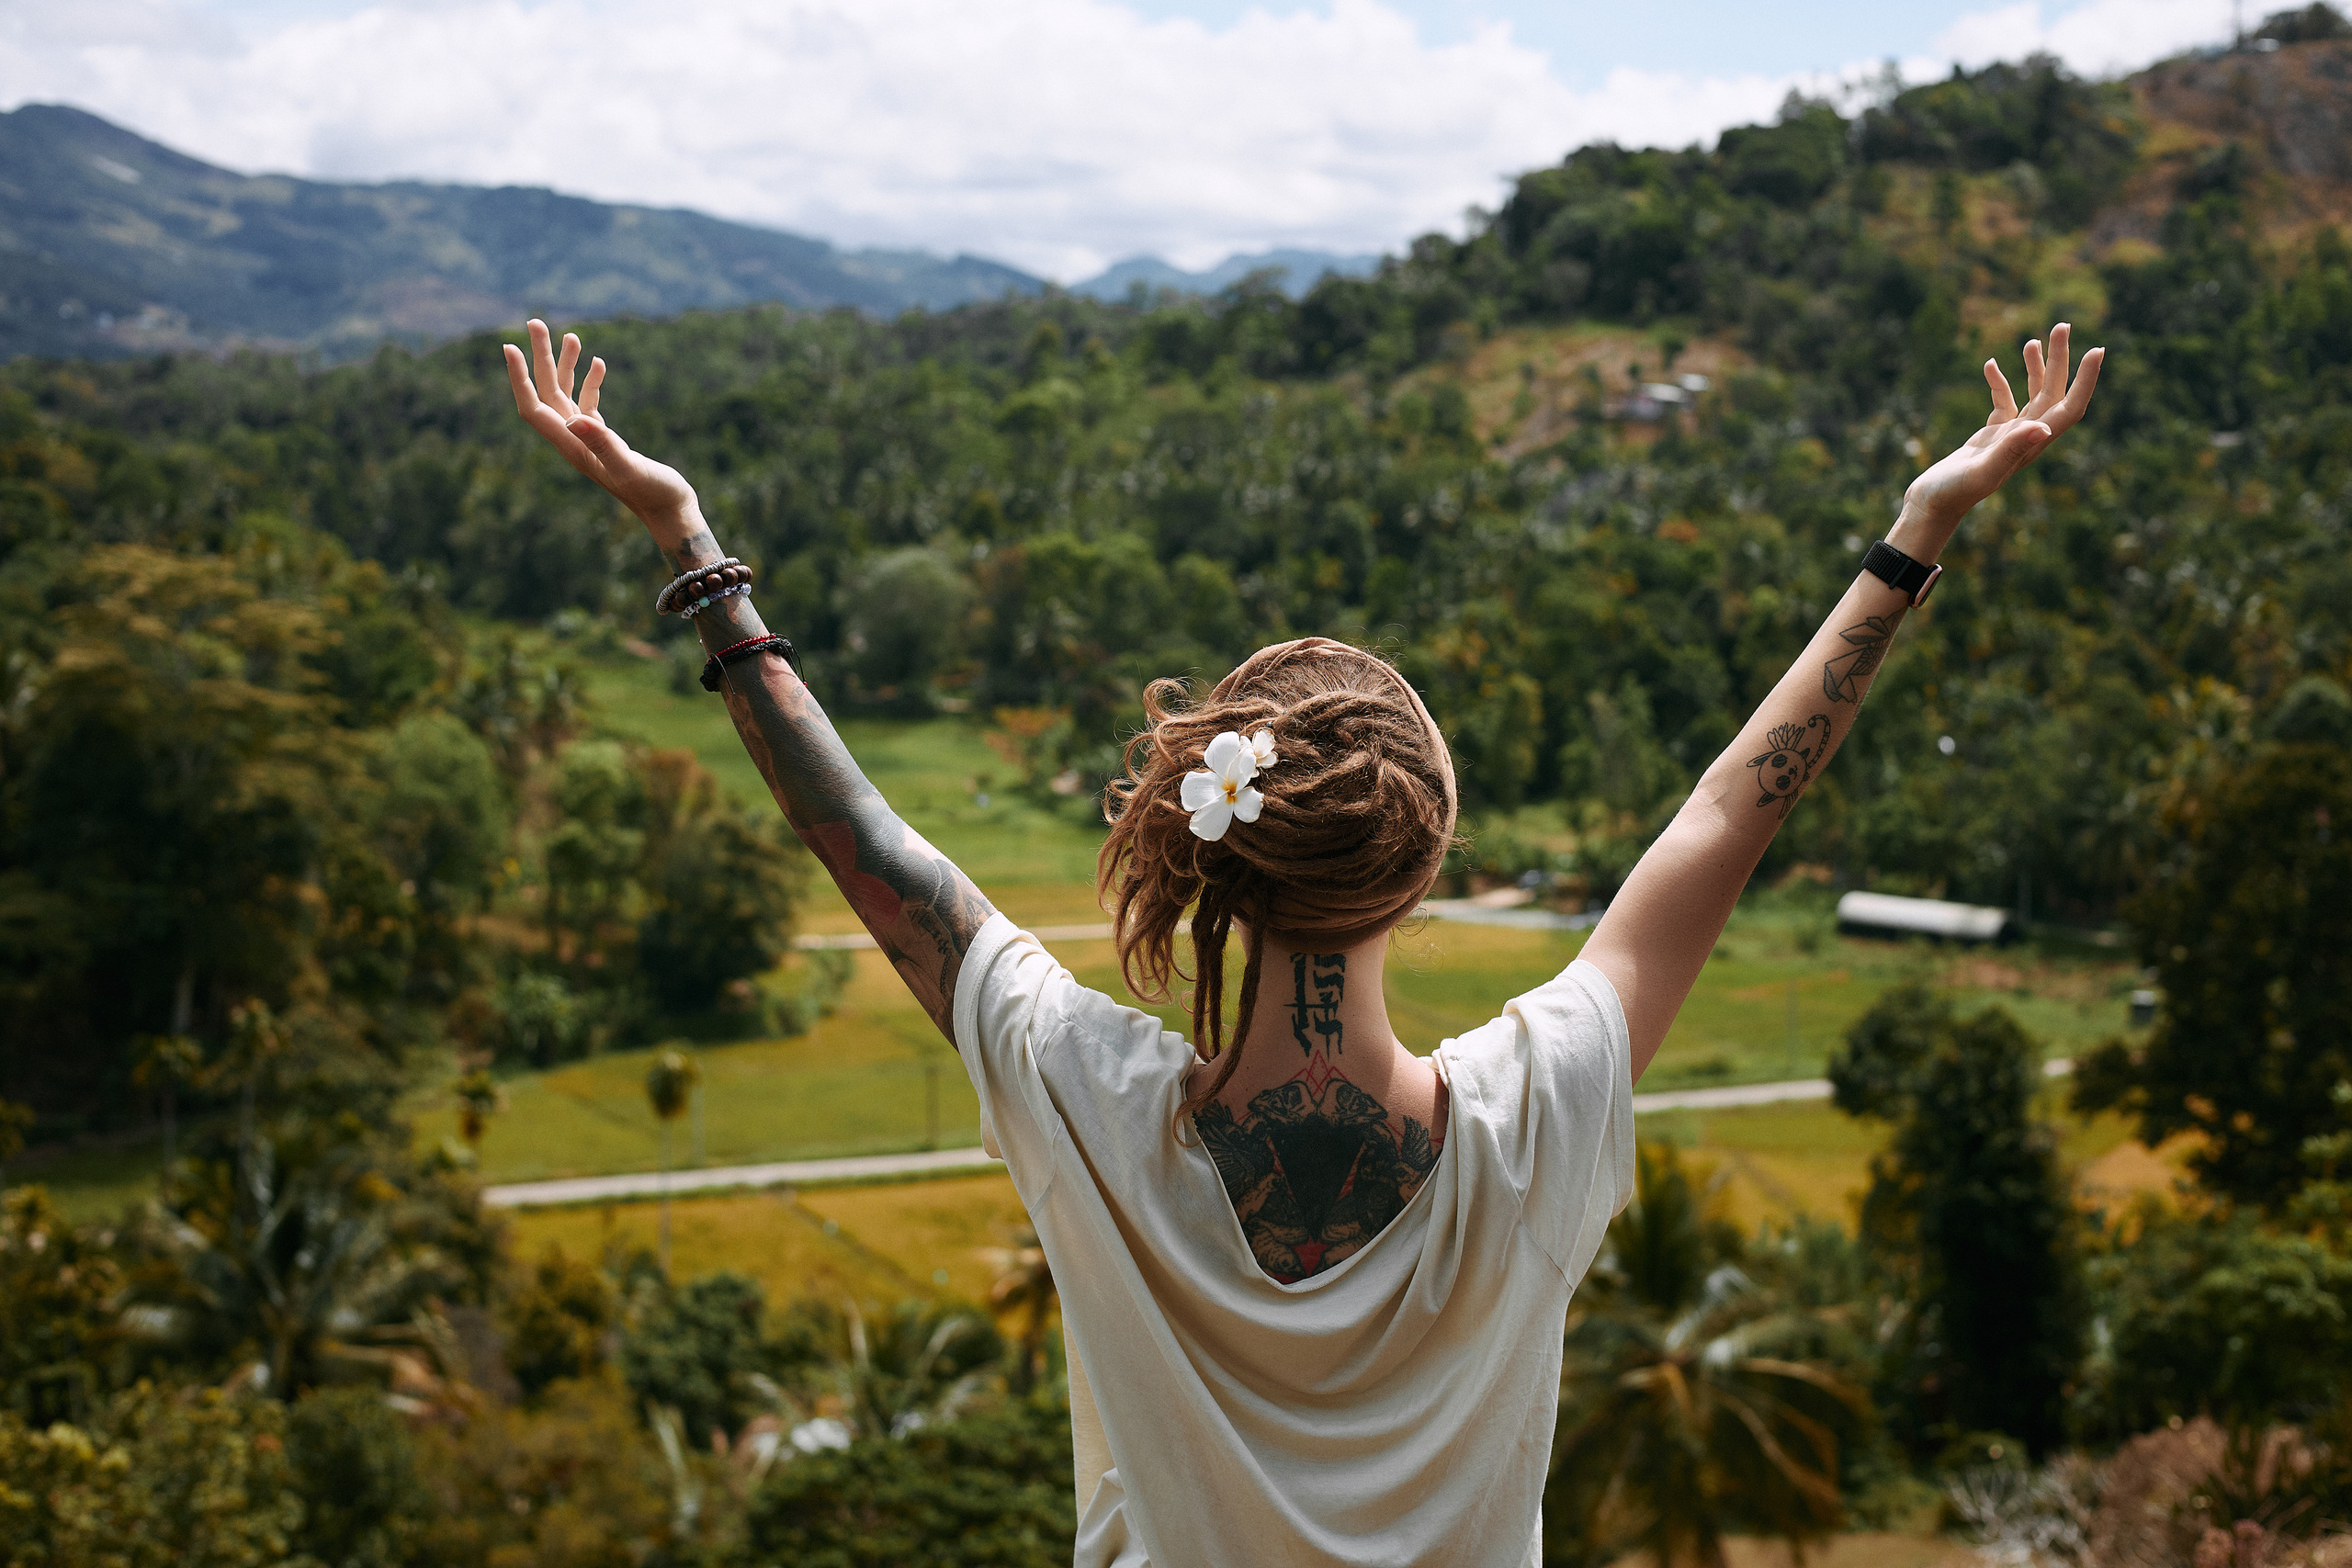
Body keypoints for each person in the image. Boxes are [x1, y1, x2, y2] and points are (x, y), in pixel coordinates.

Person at [503, 318, 2103, 1567]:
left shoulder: (1088, 1103)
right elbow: (1724, 823)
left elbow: (865, 844)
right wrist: (1911, 539)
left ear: (1208, 866)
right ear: (1418, 877)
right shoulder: (1536, 1122)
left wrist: (695, 550)